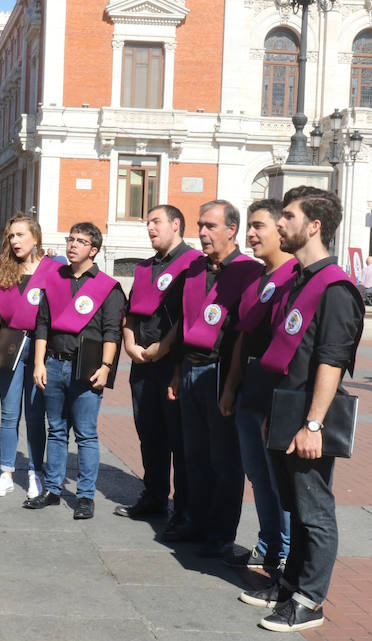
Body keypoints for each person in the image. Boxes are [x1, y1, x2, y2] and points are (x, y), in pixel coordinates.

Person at [239, 186, 363, 632]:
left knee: (314, 510)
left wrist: (312, 424)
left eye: (287, 216)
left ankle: (311, 600)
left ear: (313, 225)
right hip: (283, 406)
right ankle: (290, 584)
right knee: (294, 504)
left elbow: (331, 360)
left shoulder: (336, 288)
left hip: (309, 416)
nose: (280, 224)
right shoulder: (300, 280)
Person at [168, 200, 263, 555]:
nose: (202, 233)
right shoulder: (195, 271)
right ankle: (194, 521)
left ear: (231, 230)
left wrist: (232, 386)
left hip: (220, 373)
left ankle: (220, 535)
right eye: (200, 225)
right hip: (191, 369)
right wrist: (178, 372)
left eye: (210, 226)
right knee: (194, 455)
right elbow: (184, 326)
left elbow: (243, 335)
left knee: (224, 459)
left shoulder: (248, 272)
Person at [28, 223, 125, 519]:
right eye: (70, 239)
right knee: (56, 430)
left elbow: (112, 332)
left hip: (87, 367)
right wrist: (38, 362)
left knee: (85, 434)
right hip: (53, 364)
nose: (72, 245)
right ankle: (53, 489)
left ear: (93, 250)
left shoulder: (108, 287)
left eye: (81, 241)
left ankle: (85, 496)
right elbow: (41, 323)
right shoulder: (54, 280)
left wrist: (107, 368)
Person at [219, 200, 295, 572]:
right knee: (258, 477)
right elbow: (241, 339)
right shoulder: (257, 279)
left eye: (258, 226)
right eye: (249, 226)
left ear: (282, 229)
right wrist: (231, 387)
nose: (251, 234)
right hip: (249, 390)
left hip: (276, 394)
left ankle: (286, 554)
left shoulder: (296, 277)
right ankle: (268, 547)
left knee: (280, 482)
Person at [116, 205, 200, 531]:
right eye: (147, 223)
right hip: (142, 362)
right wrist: (129, 342)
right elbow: (131, 311)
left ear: (176, 224)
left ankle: (184, 510)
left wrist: (162, 348)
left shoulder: (191, 265)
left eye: (156, 222)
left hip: (174, 364)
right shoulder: (145, 267)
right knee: (149, 434)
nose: (150, 228)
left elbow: (187, 314)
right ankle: (153, 496)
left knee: (178, 439)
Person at [0, 213, 59, 499]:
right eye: (11, 236)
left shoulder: (53, 270)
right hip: (10, 344)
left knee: (36, 415)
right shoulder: (0, 270)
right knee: (8, 413)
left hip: (42, 348)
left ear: (35, 238)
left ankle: (34, 473)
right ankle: (5, 473)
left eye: (20, 235)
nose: (15, 241)